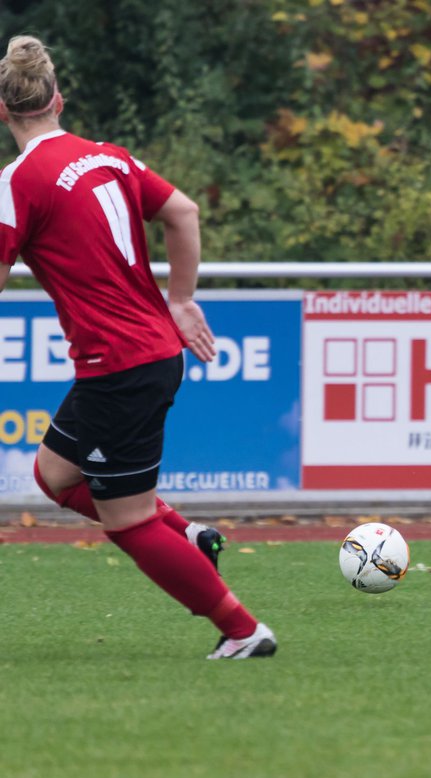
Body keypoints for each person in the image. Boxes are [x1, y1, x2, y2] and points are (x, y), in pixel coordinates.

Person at [0, 35, 275, 659]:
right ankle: (189, 534)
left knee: (126, 521)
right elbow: (184, 211)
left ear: (3, 111)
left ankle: (242, 630)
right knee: (53, 473)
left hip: (118, 367)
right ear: (58, 100)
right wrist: (180, 299)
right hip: (147, 354)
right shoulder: (108, 157)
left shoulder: (17, 182)